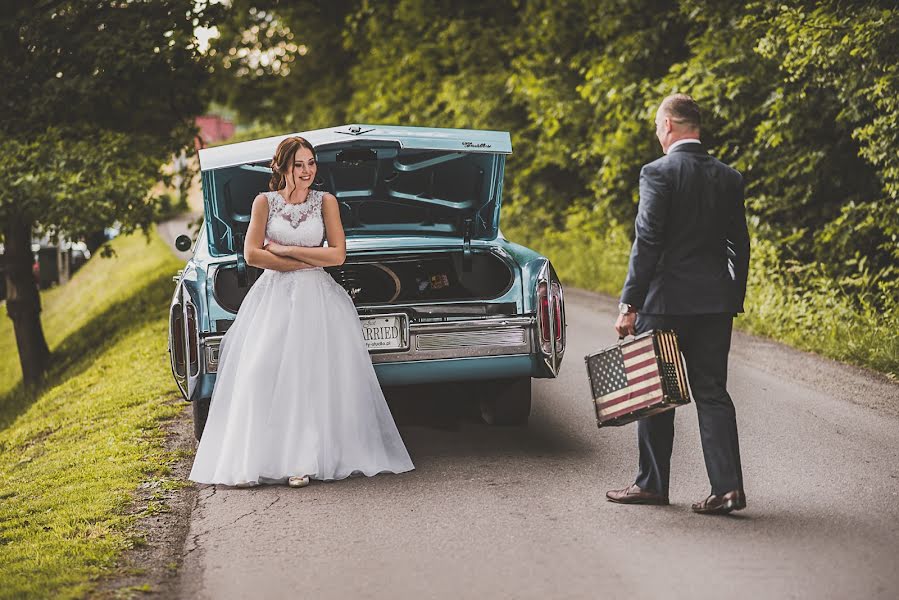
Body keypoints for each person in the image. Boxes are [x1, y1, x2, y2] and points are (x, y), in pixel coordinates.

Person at [189, 136, 414, 487]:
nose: (307, 170)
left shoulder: (326, 202)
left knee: (311, 377)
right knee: (262, 371)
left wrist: (282, 250)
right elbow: (252, 255)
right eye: (299, 164)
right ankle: (259, 457)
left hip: (318, 299)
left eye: (311, 163)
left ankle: (303, 462)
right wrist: (299, 259)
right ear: (282, 167)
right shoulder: (264, 203)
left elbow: (338, 255)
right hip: (272, 298)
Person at [606, 94, 750, 515]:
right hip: (714, 305)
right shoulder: (729, 177)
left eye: (656, 126)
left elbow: (647, 241)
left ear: (668, 125)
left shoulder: (658, 172)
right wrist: (731, 297)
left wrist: (629, 303)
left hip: (665, 304)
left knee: (656, 393)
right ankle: (727, 489)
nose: (656, 132)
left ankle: (651, 484)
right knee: (712, 393)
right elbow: (739, 244)